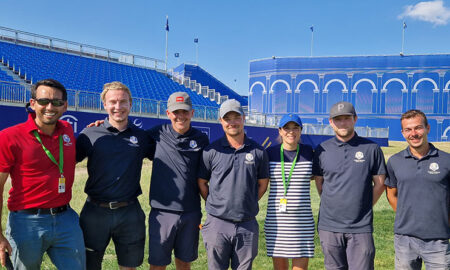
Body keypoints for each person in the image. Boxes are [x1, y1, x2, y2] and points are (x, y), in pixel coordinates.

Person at [0, 79, 86, 269]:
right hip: (26, 223)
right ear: (32, 104)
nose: (50, 107)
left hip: (66, 219)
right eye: (43, 101)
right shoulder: (9, 137)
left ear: (65, 106)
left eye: (56, 102)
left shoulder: (67, 130)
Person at [76, 82, 153, 270]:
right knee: (89, 265)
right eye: (113, 102)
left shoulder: (142, 137)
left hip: (129, 212)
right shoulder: (89, 133)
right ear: (104, 104)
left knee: (129, 266)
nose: (118, 107)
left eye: (123, 102)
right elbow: (67, 164)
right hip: (95, 212)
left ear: (130, 104)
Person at [312, 101, 386, 270]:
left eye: (347, 118)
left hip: (360, 227)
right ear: (331, 122)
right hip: (329, 226)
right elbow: (319, 182)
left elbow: (380, 184)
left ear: (355, 119)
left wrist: (363, 206)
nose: (343, 123)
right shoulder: (322, 149)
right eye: (338, 119)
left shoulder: (371, 148)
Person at [198, 99, 270, 270]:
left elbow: (262, 184)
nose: (232, 122)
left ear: (244, 118)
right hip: (217, 223)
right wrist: (217, 203)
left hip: (247, 224)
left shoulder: (258, 151)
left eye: (236, 117)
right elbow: (202, 182)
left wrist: (247, 201)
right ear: (221, 121)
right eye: (227, 118)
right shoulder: (211, 151)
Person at [147, 91, 209, 270]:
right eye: (176, 112)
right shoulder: (156, 133)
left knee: (184, 262)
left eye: (185, 111)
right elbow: (125, 135)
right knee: (158, 264)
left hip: (190, 211)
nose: (180, 116)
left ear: (192, 113)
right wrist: (101, 124)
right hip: (162, 212)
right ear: (168, 114)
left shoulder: (201, 139)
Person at [385, 109, 450, 270]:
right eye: (408, 129)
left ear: (427, 128)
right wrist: (404, 214)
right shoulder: (395, 161)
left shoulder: (447, 160)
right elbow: (391, 193)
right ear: (402, 133)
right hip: (404, 239)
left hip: (438, 240)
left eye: (418, 128)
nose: (413, 133)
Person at [265, 114, 315, 270]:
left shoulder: (309, 153)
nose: (291, 132)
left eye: (295, 128)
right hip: (277, 222)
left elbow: (316, 177)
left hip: (303, 222)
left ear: (301, 131)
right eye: (287, 128)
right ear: (280, 131)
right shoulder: (270, 153)